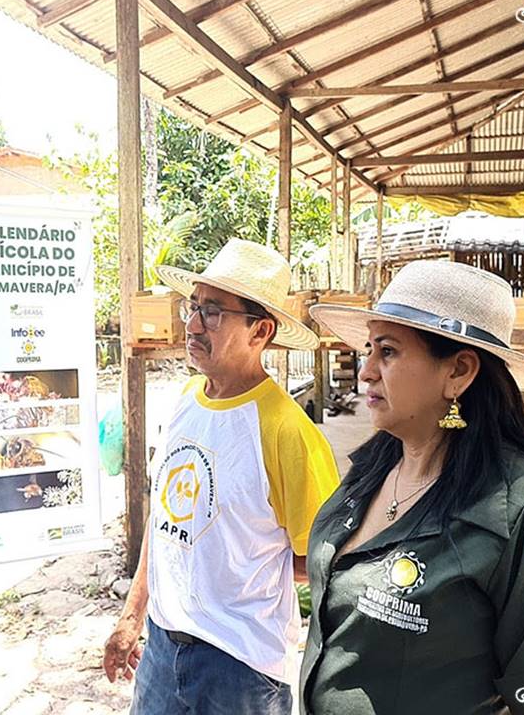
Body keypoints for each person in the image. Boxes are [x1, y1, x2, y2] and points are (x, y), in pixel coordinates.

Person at [301, 260, 524, 715]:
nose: (366, 372)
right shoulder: (374, 467)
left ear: (458, 371)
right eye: (369, 349)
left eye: (389, 352)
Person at [103, 238, 340, 715]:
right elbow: (166, 518)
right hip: (162, 653)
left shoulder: (287, 432)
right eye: (194, 306)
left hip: (241, 670)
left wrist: (243, 569)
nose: (191, 324)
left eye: (212, 312)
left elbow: (318, 558)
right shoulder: (186, 399)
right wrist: (134, 614)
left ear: (261, 332)